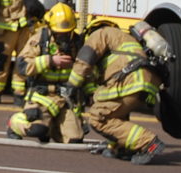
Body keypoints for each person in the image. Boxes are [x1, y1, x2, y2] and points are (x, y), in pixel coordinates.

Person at [66, 20, 166, 165]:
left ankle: (148, 142)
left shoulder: (100, 33)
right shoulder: (124, 40)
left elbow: (85, 58)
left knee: (98, 118)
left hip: (131, 79)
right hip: (146, 83)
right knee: (115, 113)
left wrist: (71, 85)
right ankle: (122, 147)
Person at [7, 2, 91, 143]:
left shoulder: (77, 44)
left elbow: (87, 73)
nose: (63, 38)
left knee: (75, 139)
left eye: (67, 34)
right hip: (42, 96)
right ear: (51, 28)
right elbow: (22, 65)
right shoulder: (40, 39)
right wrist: (50, 61)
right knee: (37, 130)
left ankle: (51, 127)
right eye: (59, 34)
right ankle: (14, 124)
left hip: (65, 99)